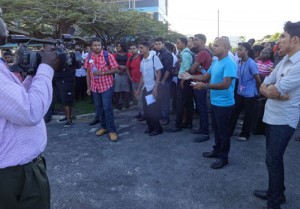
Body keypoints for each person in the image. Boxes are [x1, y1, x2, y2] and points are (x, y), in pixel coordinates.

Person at [0, 7, 60, 209]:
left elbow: (14, 102)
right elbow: (30, 111)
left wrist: (33, 76)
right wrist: (47, 68)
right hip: (16, 175)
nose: (5, 24)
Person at [253, 21, 300, 209]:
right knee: (273, 159)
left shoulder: (298, 65)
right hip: (272, 116)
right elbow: (265, 85)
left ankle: (274, 202)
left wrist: (272, 92)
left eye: (282, 36)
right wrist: (273, 93)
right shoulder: (284, 61)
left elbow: (271, 90)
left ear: (295, 39)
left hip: (283, 120)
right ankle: (277, 193)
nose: (278, 41)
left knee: (273, 160)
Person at [181, 37, 236, 169]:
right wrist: (191, 76)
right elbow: (206, 77)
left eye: (216, 46)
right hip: (215, 102)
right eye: (213, 45)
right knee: (216, 130)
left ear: (226, 48)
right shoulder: (216, 61)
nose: (213, 47)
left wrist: (205, 87)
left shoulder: (229, 63)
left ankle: (223, 157)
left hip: (225, 104)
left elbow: (226, 84)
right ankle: (216, 150)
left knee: (223, 132)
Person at [84, 38, 119, 141]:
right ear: (91, 46)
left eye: (99, 45)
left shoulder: (108, 56)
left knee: (107, 108)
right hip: (95, 87)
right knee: (99, 108)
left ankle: (112, 130)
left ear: (101, 46)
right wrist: (88, 87)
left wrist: (102, 73)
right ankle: (104, 127)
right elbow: (88, 73)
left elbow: (116, 69)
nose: (97, 47)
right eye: (95, 45)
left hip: (106, 86)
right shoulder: (89, 56)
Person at [229, 42, 261, 141]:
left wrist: (259, 91)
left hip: (250, 94)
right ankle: (229, 131)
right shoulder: (238, 62)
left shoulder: (251, 63)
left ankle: (245, 134)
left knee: (248, 114)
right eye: (237, 49)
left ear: (247, 51)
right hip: (240, 91)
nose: (238, 51)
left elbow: (258, 79)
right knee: (235, 111)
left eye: (240, 49)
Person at [136, 41, 163, 136]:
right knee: (146, 110)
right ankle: (150, 126)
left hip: (152, 88)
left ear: (147, 48)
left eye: (141, 47)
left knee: (152, 110)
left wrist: (155, 88)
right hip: (145, 88)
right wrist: (138, 89)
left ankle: (157, 128)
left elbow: (159, 73)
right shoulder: (142, 61)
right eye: (139, 48)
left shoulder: (154, 58)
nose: (140, 50)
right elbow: (142, 76)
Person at [167, 37, 194, 132]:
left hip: (184, 80)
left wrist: (182, 81)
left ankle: (178, 125)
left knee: (180, 103)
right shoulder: (185, 53)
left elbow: (187, 68)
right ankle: (188, 123)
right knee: (187, 103)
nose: (177, 45)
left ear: (183, 43)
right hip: (185, 79)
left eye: (178, 43)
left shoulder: (185, 54)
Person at [189, 34, 212, 142]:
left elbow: (192, 70)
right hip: (199, 82)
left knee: (202, 109)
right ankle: (202, 129)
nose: (194, 41)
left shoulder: (203, 53)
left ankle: (205, 133)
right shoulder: (204, 52)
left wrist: (196, 66)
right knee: (201, 108)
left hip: (201, 83)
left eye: (196, 40)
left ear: (202, 41)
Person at [154, 37, 173, 125]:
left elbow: (168, 69)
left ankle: (165, 118)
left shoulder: (167, 54)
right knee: (160, 99)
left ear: (163, 44)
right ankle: (162, 116)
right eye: (156, 44)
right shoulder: (159, 54)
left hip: (165, 81)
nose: (157, 46)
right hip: (159, 80)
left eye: (159, 44)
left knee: (165, 100)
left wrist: (163, 80)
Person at [126, 43, 144, 121]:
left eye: (134, 48)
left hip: (142, 81)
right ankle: (140, 113)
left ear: (137, 49)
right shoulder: (130, 58)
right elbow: (127, 68)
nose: (132, 50)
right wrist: (130, 77)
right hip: (134, 81)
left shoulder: (142, 57)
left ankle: (143, 114)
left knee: (141, 98)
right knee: (137, 98)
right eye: (131, 49)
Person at [113, 42, 132, 110]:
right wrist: (119, 68)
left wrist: (125, 67)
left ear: (123, 47)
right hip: (117, 73)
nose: (118, 48)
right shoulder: (114, 55)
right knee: (117, 88)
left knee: (126, 88)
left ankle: (127, 103)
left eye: (119, 46)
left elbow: (130, 62)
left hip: (126, 73)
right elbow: (113, 63)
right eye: (117, 46)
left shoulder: (128, 54)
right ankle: (118, 103)